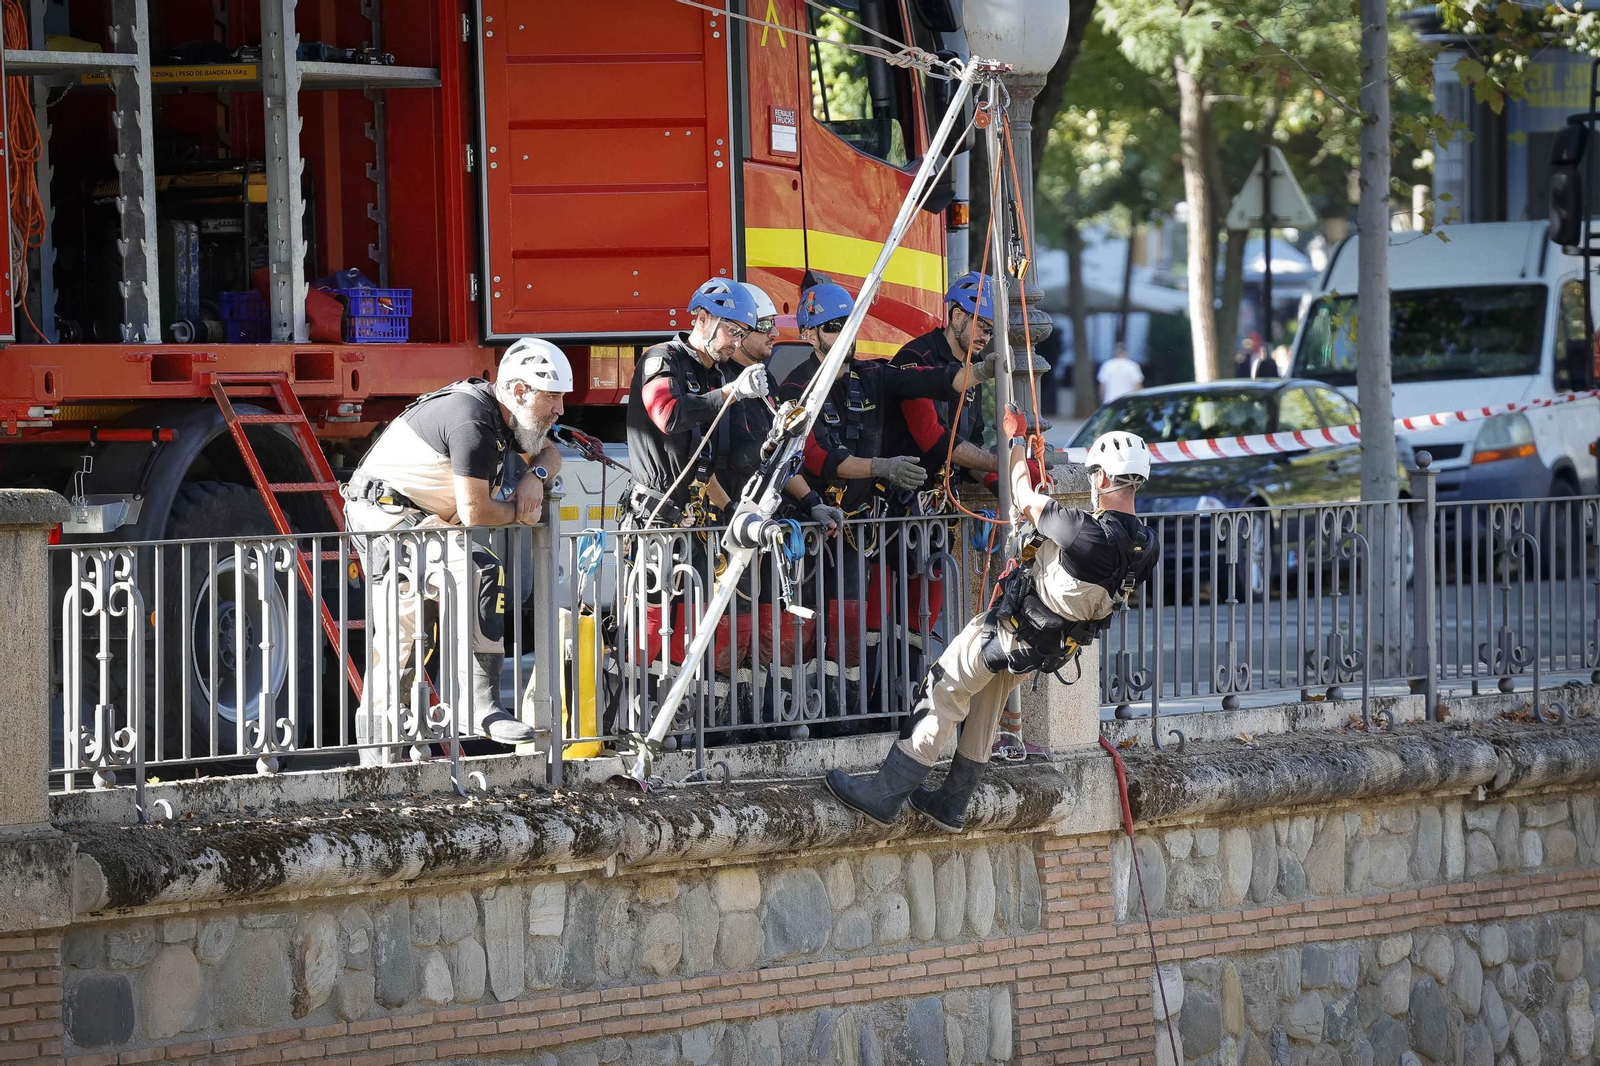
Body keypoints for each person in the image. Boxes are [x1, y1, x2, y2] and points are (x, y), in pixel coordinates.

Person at [823, 424, 1161, 831]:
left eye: (1093, 476)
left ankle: (884, 797)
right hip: (1046, 648)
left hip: (1008, 633)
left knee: (944, 688)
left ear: (1103, 477)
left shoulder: (1079, 528)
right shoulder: (1148, 544)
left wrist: (1016, 442)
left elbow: (1021, 494)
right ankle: (951, 803)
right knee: (985, 705)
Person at [342, 337, 572, 760]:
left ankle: (388, 753)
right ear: (519, 391)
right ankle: (474, 705)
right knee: (478, 569)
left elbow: (551, 452)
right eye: (553, 397)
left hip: (416, 517)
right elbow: (476, 512)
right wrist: (522, 513)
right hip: (389, 515)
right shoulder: (473, 420)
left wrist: (535, 475)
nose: (560, 409)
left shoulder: (506, 417)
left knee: (405, 634)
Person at [779, 280, 993, 692]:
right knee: (813, 630)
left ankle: (863, 711)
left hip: (858, 529)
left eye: (850, 325)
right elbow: (816, 456)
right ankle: (809, 715)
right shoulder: (797, 386)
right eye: (833, 327)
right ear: (808, 334)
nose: (845, 335)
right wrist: (881, 466)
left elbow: (922, 382)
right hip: (813, 524)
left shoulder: (870, 375)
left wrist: (977, 373)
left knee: (858, 627)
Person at [882, 272, 1001, 492]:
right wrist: (1003, 464)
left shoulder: (974, 366)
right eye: (983, 327)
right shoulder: (916, 357)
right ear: (957, 316)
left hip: (942, 501)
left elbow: (972, 444)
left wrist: (992, 480)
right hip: (902, 503)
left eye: (991, 332)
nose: (986, 338)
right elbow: (931, 436)